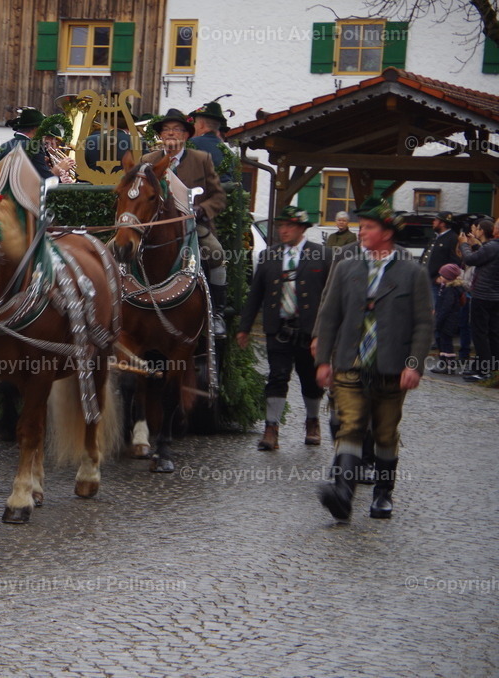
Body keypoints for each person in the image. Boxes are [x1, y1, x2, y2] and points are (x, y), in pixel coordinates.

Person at [314, 197, 433, 521]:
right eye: (361, 226)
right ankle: (342, 493)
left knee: (384, 434)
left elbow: (424, 323)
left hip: (392, 368)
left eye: (368, 227)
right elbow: (329, 316)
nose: (361, 232)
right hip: (350, 363)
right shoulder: (347, 267)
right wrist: (324, 360)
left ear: (387, 233)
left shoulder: (412, 273)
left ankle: (383, 494)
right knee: (350, 426)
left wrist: (414, 365)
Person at [238, 206, 332, 450]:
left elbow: (332, 298)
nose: (283, 230)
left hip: (310, 332)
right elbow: (255, 294)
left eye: (289, 226)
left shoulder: (322, 255)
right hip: (277, 328)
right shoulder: (269, 255)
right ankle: (271, 429)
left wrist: (327, 333)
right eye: (280, 226)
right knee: (277, 377)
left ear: (302, 229)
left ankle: (312, 422)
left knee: (310, 380)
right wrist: (244, 328)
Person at [140, 109, 229, 335]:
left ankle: (217, 313)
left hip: (193, 225)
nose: (171, 133)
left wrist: (202, 209)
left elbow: (219, 197)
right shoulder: (147, 161)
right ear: (160, 136)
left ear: (186, 136)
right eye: (166, 130)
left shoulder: (202, 160)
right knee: (116, 249)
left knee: (217, 254)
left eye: (177, 129)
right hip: (154, 226)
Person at [458, 217, 499, 382]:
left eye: (496, 226)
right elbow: (486, 256)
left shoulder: (494, 245)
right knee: (494, 333)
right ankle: (494, 368)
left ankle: (483, 370)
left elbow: (471, 259)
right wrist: (475, 244)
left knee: (480, 333)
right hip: (495, 295)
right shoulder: (492, 247)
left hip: (483, 295)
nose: (494, 228)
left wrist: (464, 244)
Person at [0, 107, 71, 180]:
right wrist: (58, 171)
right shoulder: (34, 147)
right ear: (36, 129)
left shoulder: (5, 146)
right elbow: (45, 182)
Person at [430, 263, 469, 375]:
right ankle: (444, 363)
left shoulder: (450, 290)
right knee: (441, 341)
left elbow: (446, 307)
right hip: (446, 319)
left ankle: (449, 365)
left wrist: (438, 319)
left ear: (447, 278)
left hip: (447, 321)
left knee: (446, 342)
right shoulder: (446, 287)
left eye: (441, 275)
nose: (439, 277)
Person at [188, 101, 228, 180]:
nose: (194, 126)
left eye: (195, 123)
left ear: (201, 124)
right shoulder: (229, 153)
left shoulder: (191, 144)